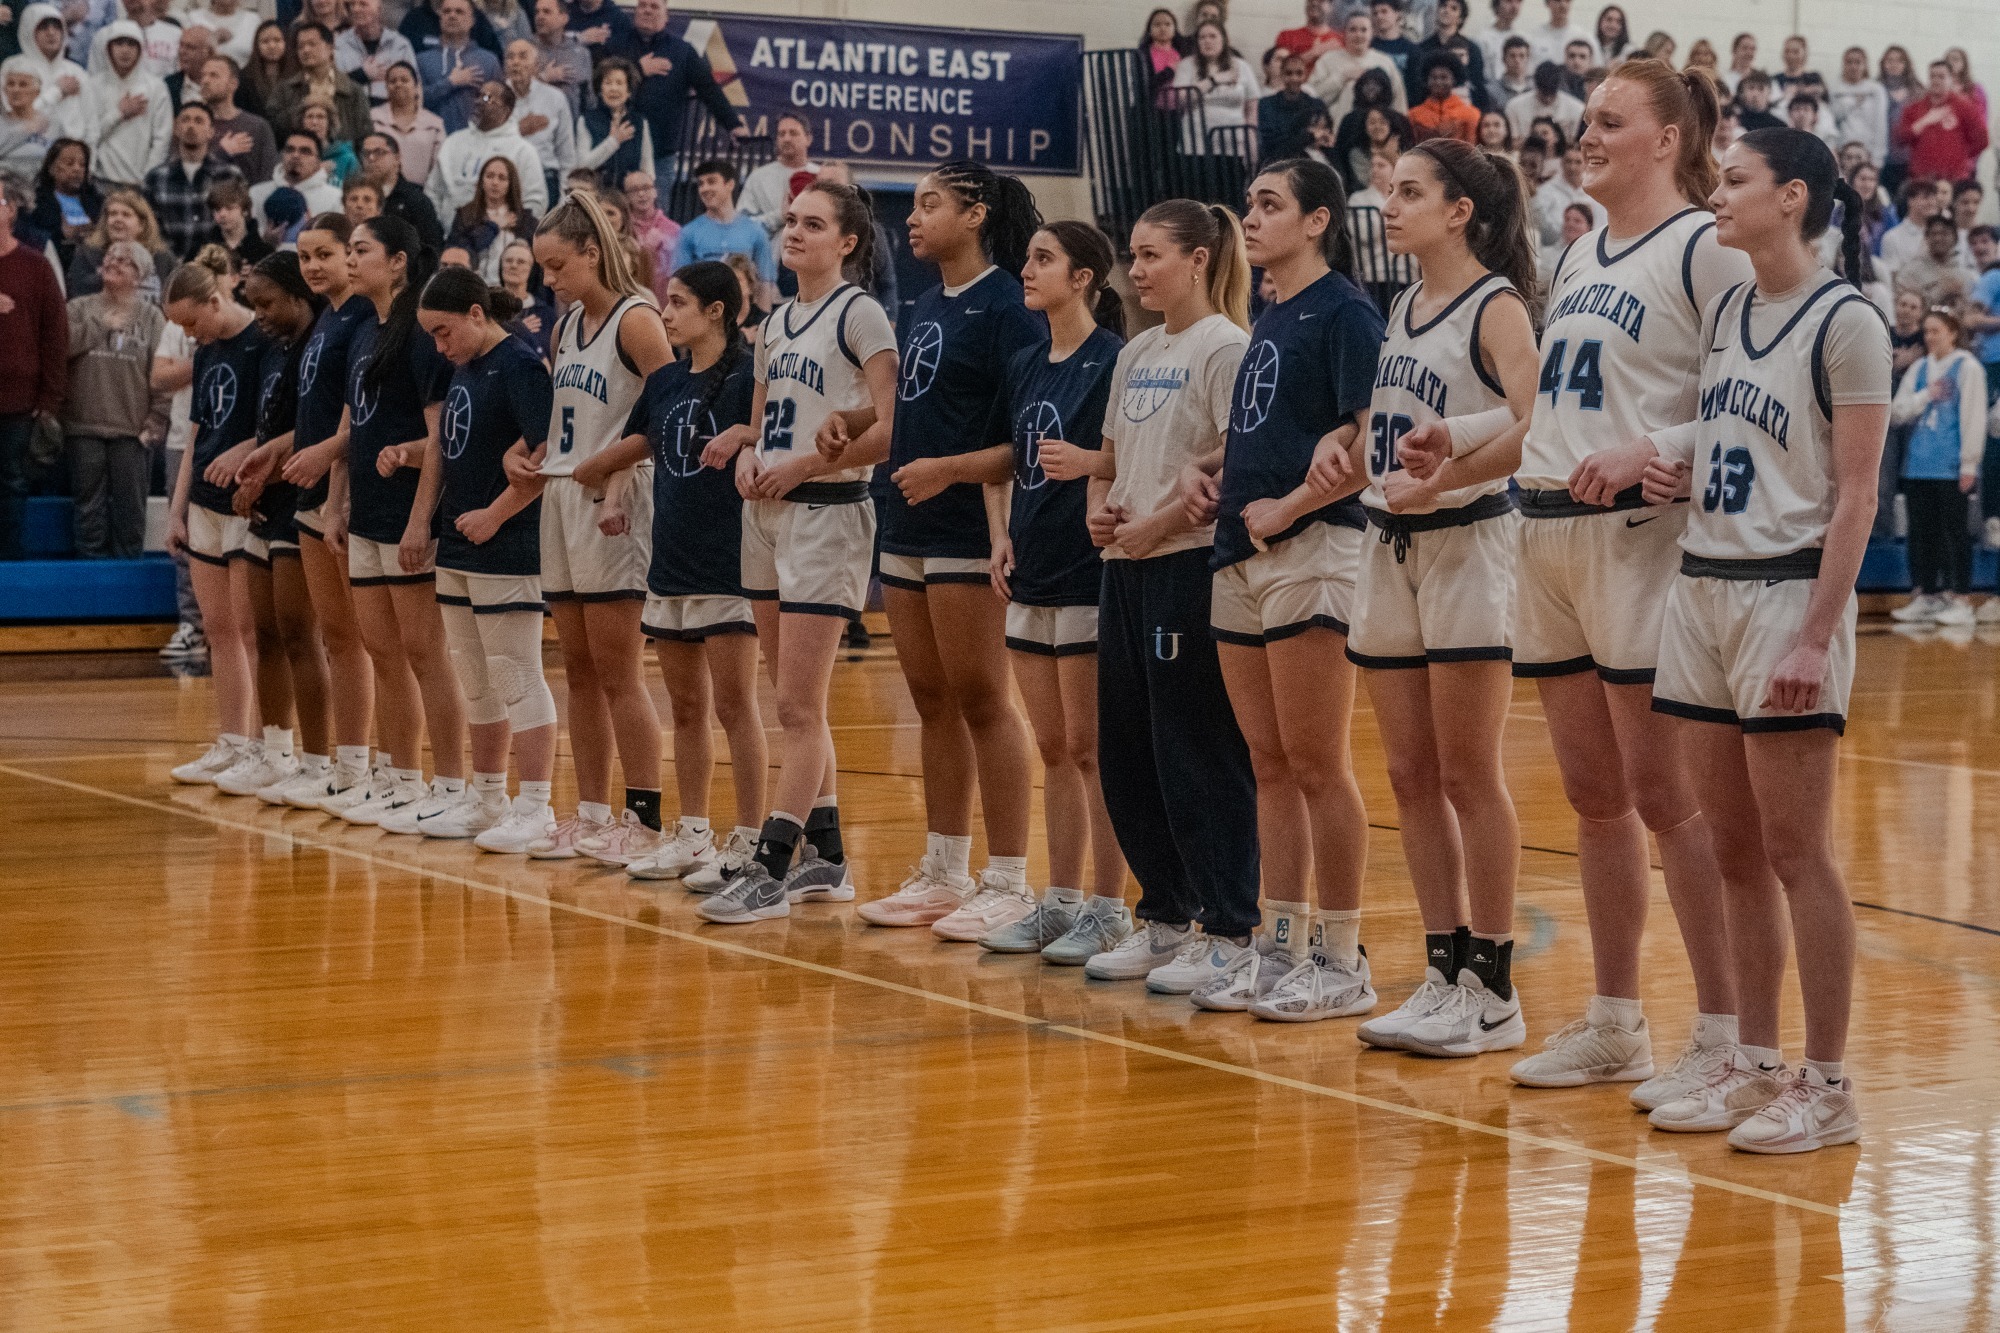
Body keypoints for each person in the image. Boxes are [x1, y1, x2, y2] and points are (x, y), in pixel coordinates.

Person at [1627, 129, 1890, 1152]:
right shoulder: (1731, 305)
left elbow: (1856, 493)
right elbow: (1735, 438)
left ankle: (1825, 1083)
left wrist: (1814, 637)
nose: (1715, 195)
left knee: (1796, 853)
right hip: (1701, 589)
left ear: (1791, 197)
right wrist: (1671, 462)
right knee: (1730, 845)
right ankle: (1749, 1057)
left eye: (1731, 182)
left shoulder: (1846, 319)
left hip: (1784, 600)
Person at [1509, 57, 1755, 1105]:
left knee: (1668, 797)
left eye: (1610, 120)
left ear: (1666, 139)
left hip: (1639, 539)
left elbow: (1756, 394)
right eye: (1584, 118)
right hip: (1547, 535)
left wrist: (1658, 442)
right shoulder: (1577, 250)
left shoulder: (1705, 245)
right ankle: (1615, 1021)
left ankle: (1722, 1032)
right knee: (1592, 796)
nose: (1586, 133)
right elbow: (1553, 411)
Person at [1161, 159, 1380, 1016]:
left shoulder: (1347, 312)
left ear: (1318, 220)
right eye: (1249, 204)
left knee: (1320, 761)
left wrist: (1290, 502)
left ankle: (1341, 954)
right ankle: (1281, 944)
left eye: (1269, 205)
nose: (1248, 219)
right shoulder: (1273, 316)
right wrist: (1201, 468)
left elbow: (1370, 436)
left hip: (1313, 546)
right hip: (1239, 550)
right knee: (1268, 762)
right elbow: (1269, 428)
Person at [1340, 139, 1540, 1052]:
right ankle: (1441, 969)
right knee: (1410, 774)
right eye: (1391, 189)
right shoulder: (1401, 301)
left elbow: (1540, 419)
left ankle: (1493, 988)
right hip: (1390, 539)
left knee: (1468, 773)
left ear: (1460, 212)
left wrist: (1450, 445)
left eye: (1410, 192)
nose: (1391, 203)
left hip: (1470, 541)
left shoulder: (1495, 305)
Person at [689, 179, 897, 921]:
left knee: (796, 705)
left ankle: (772, 865)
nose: (795, 233)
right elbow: (761, 419)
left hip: (826, 512)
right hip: (766, 512)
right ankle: (828, 857)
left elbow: (888, 430)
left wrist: (807, 464)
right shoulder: (774, 320)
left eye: (814, 224)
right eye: (792, 222)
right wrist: (746, 451)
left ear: (846, 242)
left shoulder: (861, 313)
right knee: (794, 704)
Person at [854, 161, 1044, 933]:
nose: (914, 216)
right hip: (906, 522)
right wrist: (849, 428)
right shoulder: (926, 305)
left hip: (970, 526)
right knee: (930, 700)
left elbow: (1026, 439)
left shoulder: (1011, 306)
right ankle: (943, 866)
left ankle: (1009, 878)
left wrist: (949, 472)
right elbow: (907, 418)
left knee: (983, 700)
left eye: (930, 203)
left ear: (974, 215)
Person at [1074, 198, 1254, 984]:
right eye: (1134, 256)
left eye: (1152, 256)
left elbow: (1231, 454)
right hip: (1126, 567)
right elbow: (1109, 456)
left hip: (1184, 562)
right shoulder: (1137, 349)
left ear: (1199, 259)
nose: (1137, 270)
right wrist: (1100, 514)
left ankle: (1229, 923)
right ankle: (1164, 913)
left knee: (1194, 747)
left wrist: (1162, 522)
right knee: (1128, 746)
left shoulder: (1226, 346)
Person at [971, 220, 1131, 960]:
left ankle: (1110, 905)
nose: (1027, 270)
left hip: (1089, 571)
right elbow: (1010, 462)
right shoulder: (1030, 359)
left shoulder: (1115, 359)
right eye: (1028, 256)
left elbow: (1137, 455)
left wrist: (1092, 460)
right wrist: (999, 534)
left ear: (1085, 278)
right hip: (1030, 566)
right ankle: (1060, 899)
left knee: (1096, 749)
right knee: (1053, 747)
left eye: (1044, 259)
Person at [510, 190, 673, 859]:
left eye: (556, 266)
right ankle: (591, 810)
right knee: (576, 667)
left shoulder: (638, 321)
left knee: (617, 671)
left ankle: (644, 817)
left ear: (590, 251)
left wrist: (610, 464)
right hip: (562, 501)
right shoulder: (562, 328)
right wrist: (531, 454)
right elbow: (566, 422)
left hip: (618, 503)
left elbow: (673, 414)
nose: (548, 280)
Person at [599, 261, 770, 880]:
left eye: (677, 303)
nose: (664, 314)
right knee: (686, 708)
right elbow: (637, 445)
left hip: (727, 561)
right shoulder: (666, 381)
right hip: (668, 561)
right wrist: (613, 494)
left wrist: (746, 435)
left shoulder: (751, 374)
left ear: (716, 311)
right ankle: (694, 832)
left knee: (735, 706)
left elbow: (773, 433)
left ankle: (750, 839)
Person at [397, 263, 558, 844]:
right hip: (461, 545)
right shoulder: (467, 368)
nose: (440, 347)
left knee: (516, 674)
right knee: (475, 676)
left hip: (507, 543)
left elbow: (547, 454)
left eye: (444, 332)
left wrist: (496, 514)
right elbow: (453, 447)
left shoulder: (518, 365)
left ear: (475, 313)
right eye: (431, 337)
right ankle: (488, 797)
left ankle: (536, 806)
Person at [326, 212, 471, 830]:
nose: (351, 260)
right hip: (365, 514)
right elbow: (354, 426)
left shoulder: (420, 333)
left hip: (408, 516)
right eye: (350, 250)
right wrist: (338, 502)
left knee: (425, 654)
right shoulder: (365, 331)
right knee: (381, 650)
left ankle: (453, 784)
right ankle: (399, 775)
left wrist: (420, 522)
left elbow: (439, 438)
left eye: (361, 250)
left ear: (397, 263)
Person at [260, 212, 378, 810]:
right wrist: (276, 453)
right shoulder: (327, 319)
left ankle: (363, 767)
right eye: (304, 256)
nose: (313, 266)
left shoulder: (361, 317)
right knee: (335, 634)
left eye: (324, 254)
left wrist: (332, 464)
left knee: (357, 638)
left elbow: (355, 413)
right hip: (314, 488)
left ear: (351, 257)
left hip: (347, 488)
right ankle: (332, 762)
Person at [162, 254, 282, 785]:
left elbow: (278, 424)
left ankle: (261, 747)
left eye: (192, 322)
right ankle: (231, 741)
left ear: (215, 300)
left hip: (245, 501)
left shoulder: (263, 342)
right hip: (206, 502)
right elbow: (194, 435)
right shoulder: (207, 353)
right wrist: (177, 507)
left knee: (251, 629)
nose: (190, 335)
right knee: (217, 629)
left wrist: (247, 459)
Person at [222, 250, 336, 800]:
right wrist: (254, 468)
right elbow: (267, 430)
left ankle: (319, 761)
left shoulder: (321, 344)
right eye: (253, 305)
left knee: (298, 631)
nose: (260, 314)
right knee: (263, 632)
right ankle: (273, 751)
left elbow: (315, 429)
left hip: (303, 496)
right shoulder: (275, 350)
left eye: (268, 303)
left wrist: (266, 467)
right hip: (267, 500)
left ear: (298, 295)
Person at [63, 237, 163, 559]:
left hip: (132, 431)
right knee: (87, 511)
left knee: (131, 511)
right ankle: (89, 586)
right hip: (83, 426)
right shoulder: (78, 308)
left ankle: (129, 586)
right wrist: (99, 325)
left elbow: (162, 374)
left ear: (140, 275)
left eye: (124, 260)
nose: (113, 262)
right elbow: (59, 352)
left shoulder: (152, 318)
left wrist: (156, 419)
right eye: (109, 257)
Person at [1889, 307, 1984, 625]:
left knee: (1954, 533)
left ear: (1953, 333)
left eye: (1936, 331)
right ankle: (1926, 594)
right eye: (1926, 331)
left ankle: (1960, 598)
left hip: (1950, 465)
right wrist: (1925, 396)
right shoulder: (1919, 369)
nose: (1929, 337)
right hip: (1918, 464)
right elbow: (1896, 412)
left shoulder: (1968, 367)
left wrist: (1969, 464)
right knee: (1920, 533)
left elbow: (1974, 418)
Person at [604, 0, 742, 175]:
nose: (647, 10)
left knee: (657, 203)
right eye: (642, 5)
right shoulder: (616, 46)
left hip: (660, 152)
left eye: (654, 6)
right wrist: (638, 70)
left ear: (666, 17)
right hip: (617, 148)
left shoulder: (682, 52)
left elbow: (708, 89)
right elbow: (601, 82)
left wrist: (733, 124)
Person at [424, 79, 542, 221]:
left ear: (506, 110)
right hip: (450, 237)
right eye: (478, 96)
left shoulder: (523, 151)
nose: (478, 102)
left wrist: (512, 232)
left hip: (503, 237)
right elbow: (433, 191)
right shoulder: (453, 142)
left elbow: (535, 203)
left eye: (487, 98)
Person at [672, 158, 773, 305]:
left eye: (712, 181)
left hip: (745, 317)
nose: (704, 188)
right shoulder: (688, 233)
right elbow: (678, 284)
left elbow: (765, 283)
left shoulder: (755, 231)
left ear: (730, 184)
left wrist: (763, 322)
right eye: (701, 183)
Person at [85, 20, 170, 186]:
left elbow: (162, 138)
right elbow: (89, 136)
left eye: (131, 44)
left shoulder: (156, 87)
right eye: (119, 43)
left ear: (140, 49)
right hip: (101, 180)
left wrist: (147, 178)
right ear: (109, 48)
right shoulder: (93, 86)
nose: (125, 50)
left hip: (142, 182)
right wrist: (119, 114)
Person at [142, 99, 220, 257]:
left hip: (214, 266)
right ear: (176, 128)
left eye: (199, 121)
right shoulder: (155, 178)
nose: (191, 126)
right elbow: (147, 230)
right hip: (168, 266)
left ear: (211, 131)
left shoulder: (228, 175)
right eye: (185, 120)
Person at [268, 21, 367, 143]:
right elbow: (272, 128)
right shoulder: (284, 89)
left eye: (312, 44)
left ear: (330, 48)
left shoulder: (353, 91)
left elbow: (364, 133)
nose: (306, 50)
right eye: (300, 46)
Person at [65, 186, 173, 295]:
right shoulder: (87, 254)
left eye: (126, 215)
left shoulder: (162, 258)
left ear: (142, 225)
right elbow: (78, 292)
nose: (118, 219)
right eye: (113, 214)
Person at [1895, 61, 1988, 187]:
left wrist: (1960, 157)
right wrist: (1924, 122)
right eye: (1932, 76)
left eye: (1941, 76)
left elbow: (1982, 139)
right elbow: (1900, 138)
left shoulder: (1965, 107)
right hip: (1922, 179)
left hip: (1955, 179)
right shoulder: (1914, 108)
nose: (1936, 80)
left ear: (1951, 79)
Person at [444, 152, 530, 281]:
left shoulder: (524, 219)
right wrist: (494, 226)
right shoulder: (465, 215)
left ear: (511, 184)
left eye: (502, 178)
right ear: (481, 181)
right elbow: (462, 254)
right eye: (490, 176)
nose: (495, 182)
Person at [415, 0, 496, 134]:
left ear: (472, 20)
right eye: (447, 11)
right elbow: (416, 101)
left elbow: (496, 101)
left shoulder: (488, 60)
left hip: (478, 140)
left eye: (459, 11)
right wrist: (450, 83)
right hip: (435, 140)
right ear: (440, 18)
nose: (452, 16)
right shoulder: (422, 60)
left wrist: (483, 98)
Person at [1306, 12, 1403, 123]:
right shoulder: (1327, 60)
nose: (1358, 35)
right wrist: (1341, 78)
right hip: (1338, 132)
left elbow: (1399, 101)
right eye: (1353, 30)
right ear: (1344, 33)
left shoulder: (1384, 62)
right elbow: (1312, 98)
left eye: (1363, 30)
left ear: (1372, 33)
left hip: (1377, 133)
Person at [499, 37, 565, 198]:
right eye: (510, 57)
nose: (515, 62)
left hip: (546, 178)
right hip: (504, 181)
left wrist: (565, 197)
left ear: (536, 65)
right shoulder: (495, 98)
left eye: (522, 56)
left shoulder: (555, 98)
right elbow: (485, 144)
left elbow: (566, 154)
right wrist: (519, 129)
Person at [16, 5, 93, 139]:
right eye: (43, 27)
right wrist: (57, 92)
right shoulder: (16, 68)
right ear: (29, 30)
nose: (51, 33)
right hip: (28, 154)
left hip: (73, 154)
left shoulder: (76, 72)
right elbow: (18, 119)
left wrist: (87, 156)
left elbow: (91, 124)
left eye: (57, 27)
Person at [574, 55, 646, 191]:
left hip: (627, 199)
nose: (613, 89)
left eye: (619, 83)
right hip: (595, 196)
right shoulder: (587, 120)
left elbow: (646, 169)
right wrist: (614, 141)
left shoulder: (638, 122)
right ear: (600, 90)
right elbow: (582, 166)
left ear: (629, 91)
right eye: (608, 83)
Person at [738, 110, 813, 239]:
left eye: (793, 133)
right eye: (781, 134)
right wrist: (780, 217)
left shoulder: (820, 176)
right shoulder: (758, 178)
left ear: (808, 139)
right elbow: (741, 228)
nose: (787, 138)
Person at [200, 54, 274, 182]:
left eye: (214, 75)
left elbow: (268, 176)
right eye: (203, 75)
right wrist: (222, 152)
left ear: (233, 84)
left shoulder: (257, 126)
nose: (205, 81)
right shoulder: (193, 124)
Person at [369, 60, 443, 185]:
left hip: (421, 195)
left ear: (416, 86)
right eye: (393, 81)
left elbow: (438, 169)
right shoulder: (373, 118)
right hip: (378, 191)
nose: (398, 84)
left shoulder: (434, 124)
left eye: (404, 80)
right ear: (386, 87)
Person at [334, 0, 415, 106]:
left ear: (379, 8)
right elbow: (331, 86)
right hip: (351, 113)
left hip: (390, 115)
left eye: (363, 4)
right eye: (352, 5)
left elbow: (414, 88)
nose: (356, 9)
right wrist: (362, 74)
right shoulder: (339, 45)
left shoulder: (399, 45)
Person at [32, 137, 97, 268]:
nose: (77, 169)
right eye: (69, 163)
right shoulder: (35, 203)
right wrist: (62, 235)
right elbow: (31, 241)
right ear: (51, 168)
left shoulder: (96, 201)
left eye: (82, 165)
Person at [251, 129, 341, 217]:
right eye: (290, 150)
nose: (295, 155)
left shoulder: (335, 198)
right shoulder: (257, 194)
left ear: (318, 162)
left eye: (305, 151)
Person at [1414, 0, 1485, 110]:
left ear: (1461, 18)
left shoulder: (1472, 49)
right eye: (1443, 6)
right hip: (1429, 110)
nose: (1446, 10)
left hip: (1464, 110)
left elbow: (1477, 85)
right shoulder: (1422, 49)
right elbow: (1417, 84)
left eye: (1454, 8)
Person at [1894, 215, 1973, 311]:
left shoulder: (1965, 274)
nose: (1938, 238)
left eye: (1944, 234)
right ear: (1926, 238)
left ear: (1955, 238)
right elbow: (1903, 304)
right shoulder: (1911, 272)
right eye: (1934, 234)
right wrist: (1941, 292)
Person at [620, 168, 676, 302]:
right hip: (629, 300)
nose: (641, 194)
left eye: (646, 188)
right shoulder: (622, 227)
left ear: (655, 192)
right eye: (634, 190)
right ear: (626, 197)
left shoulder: (674, 230)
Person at [1259, 52, 1325, 161]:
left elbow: (1324, 135)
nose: (1294, 78)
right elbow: (1273, 146)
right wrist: (1309, 136)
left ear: (1305, 75)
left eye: (1299, 73)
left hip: (1313, 157)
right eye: (1289, 73)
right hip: (1280, 161)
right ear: (1282, 74)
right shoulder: (1266, 105)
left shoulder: (1316, 104)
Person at [527, 0, 588, 118]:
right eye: (537, 12)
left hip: (571, 126)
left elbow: (588, 99)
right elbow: (513, 91)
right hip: (535, 125)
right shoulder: (525, 50)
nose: (540, 16)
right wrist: (544, 78)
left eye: (546, 12)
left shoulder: (581, 53)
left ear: (564, 18)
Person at [1408, 49, 1478, 142]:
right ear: (1426, 79)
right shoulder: (1414, 115)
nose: (1438, 82)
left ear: (1454, 80)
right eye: (1434, 77)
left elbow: (1472, 149)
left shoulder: (1470, 114)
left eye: (1444, 77)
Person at [206, 173, 271, 272]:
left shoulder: (265, 252)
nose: (222, 214)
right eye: (217, 209)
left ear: (244, 210)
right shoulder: (202, 250)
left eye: (230, 208)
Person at [1505, 59, 1580, 144]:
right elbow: (1514, 142)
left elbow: (1573, 144)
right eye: (1544, 94)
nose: (1548, 99)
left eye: (1551, 94)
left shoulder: (1576, 109)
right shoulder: (1514, 107)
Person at [1524, 0, 1594, 72]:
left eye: (1567, 1)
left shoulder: (1584, 36)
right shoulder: (1533, 37)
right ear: (1548, 3)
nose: (1563, 5)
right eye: (1558, 0)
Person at [1139, 7, 1190, 99]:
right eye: (1157, 24)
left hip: (1180, 108)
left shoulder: (1182, 52)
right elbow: (1145, 86)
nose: (1163, 28)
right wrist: (1170, 71)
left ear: (1175, 30)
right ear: (1149, 30)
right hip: (1153, 109)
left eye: (1167, 24)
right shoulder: (1142, 54)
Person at [1486, 35, 1532, 111]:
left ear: (1528, 59)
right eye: (1512, 56)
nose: (1517, 60)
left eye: (1522, 56)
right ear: (1503, 59)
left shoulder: (1535, 89)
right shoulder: (1492, 91)